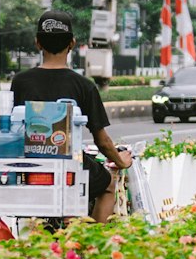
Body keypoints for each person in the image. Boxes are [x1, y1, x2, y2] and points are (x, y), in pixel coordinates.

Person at [11, 12, 132, 222]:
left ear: (38, 43)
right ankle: (92, 245)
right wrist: (120, 161)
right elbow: (102, 141)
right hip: (71, 167)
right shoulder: (84, 85)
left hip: (30, 165)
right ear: (72, 43)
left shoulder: (20, 81)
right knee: (108, 186)